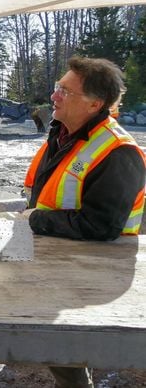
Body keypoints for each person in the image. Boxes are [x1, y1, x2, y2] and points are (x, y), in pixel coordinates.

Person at [24, 57, 145, 388]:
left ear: (95, 103)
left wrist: (36, 220)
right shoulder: (63, 133)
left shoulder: (119, 153)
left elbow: (100, 226)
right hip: (58, 263)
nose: (54, 96)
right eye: (57, 87)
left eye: (65, 90)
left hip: (95, 274)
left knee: (63, 343)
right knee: (55, 342)